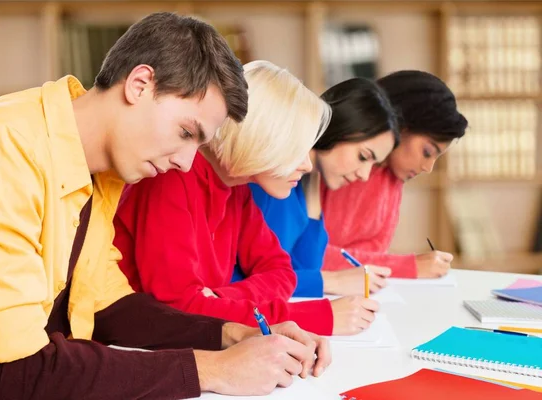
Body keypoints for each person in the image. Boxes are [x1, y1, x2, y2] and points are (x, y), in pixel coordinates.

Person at [0, 13, 330, 400]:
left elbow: (108, 306)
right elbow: (20, 374)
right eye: (185, 132)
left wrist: (233, 334)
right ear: (140, 84)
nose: (188, 163)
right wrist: (213, 370)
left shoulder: (99, 172)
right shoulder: (8, 149)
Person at [114, 69, 395, 337]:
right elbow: (178, 310)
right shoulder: (171, 179)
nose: (307, 165)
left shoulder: (238, 190)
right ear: (264, 135)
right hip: (133, 345)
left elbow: (282, 273)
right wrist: (310, 316)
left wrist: (220, 297)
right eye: (297, 149)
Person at [232, 78, 401, 299]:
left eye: (373, 164)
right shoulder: (271, 181)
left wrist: (313, 187)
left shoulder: (302, 184)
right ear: (339, 127)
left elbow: (307, 266)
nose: (364, 175)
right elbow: (256, 279)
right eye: (363, 157)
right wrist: (335, 280)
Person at [322, 70, 468, 286]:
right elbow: (308, 257)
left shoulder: (392, 178)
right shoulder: (341, 168)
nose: (428, 167)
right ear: (399, 126)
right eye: (427, 152)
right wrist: (408, 266)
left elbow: (374, 256)